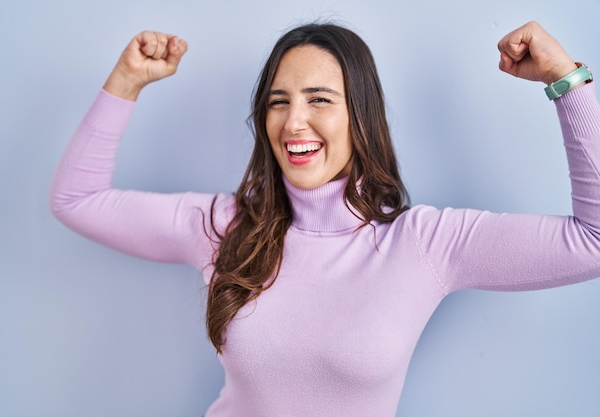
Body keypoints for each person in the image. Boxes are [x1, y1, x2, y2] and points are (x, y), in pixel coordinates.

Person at [50, 20, 599, 417]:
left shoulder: (425, 243)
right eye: (277, 101)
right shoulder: (223, 225)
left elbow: (592, 243)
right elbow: (76, 199)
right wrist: (125, 81)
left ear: (361, 115)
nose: (294, 123)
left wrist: (566, 80)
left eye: (319, 99)